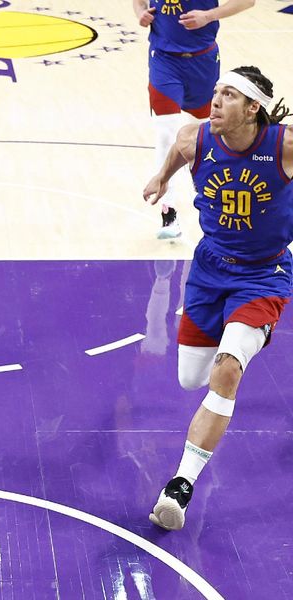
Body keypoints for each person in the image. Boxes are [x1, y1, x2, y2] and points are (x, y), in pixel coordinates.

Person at [142, 65, 291, 530]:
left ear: (253, 108)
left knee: (227, 370)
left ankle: (179, 486)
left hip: (264, 275)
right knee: (191, 379)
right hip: (208, 272)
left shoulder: (283, 147)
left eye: (228, 95)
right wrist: (161, 180)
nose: (216, 101)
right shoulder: (195, 138)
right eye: (216, 92)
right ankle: (231, 341)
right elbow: (175, 155)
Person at [133, 0, 255, 239]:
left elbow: (248, 1)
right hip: (164, 60)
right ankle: (169, 212)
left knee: (204, 137)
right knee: (167, 134)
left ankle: (214, 202)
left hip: (203, 61)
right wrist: (140, 13)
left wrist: (209, 15)